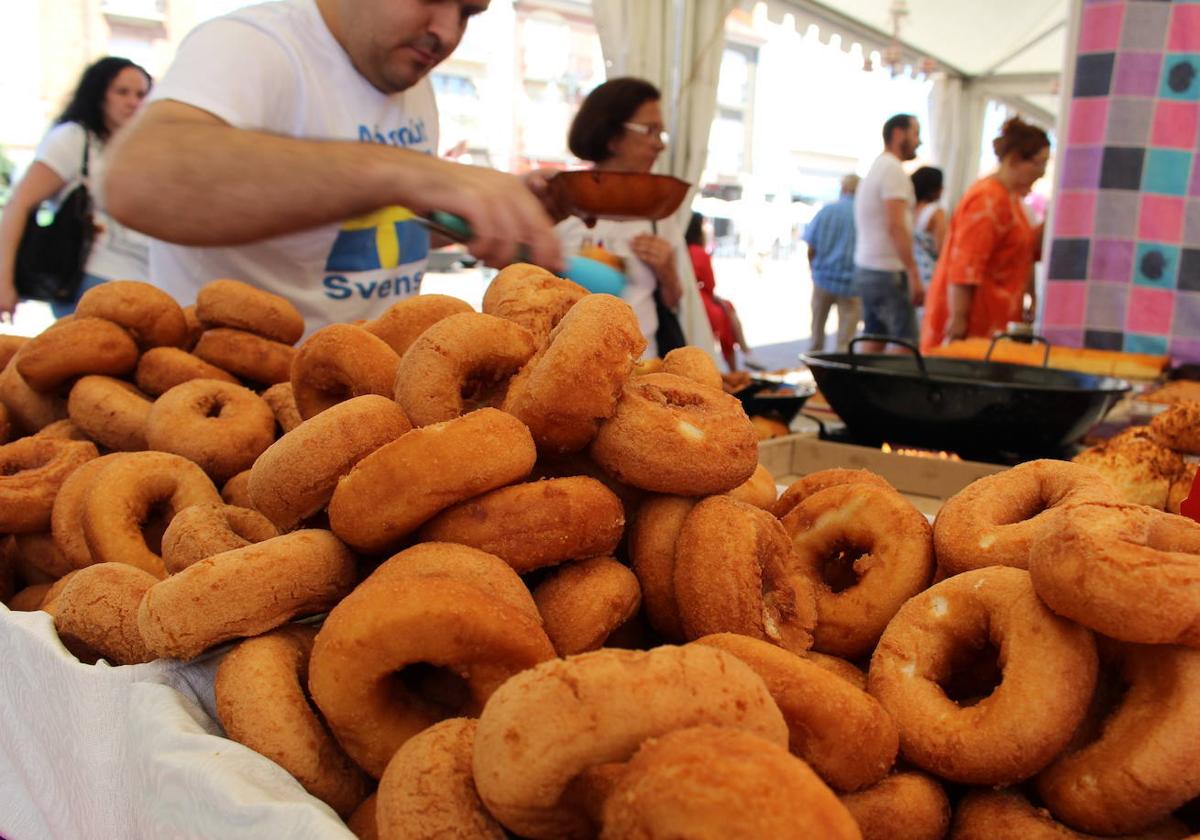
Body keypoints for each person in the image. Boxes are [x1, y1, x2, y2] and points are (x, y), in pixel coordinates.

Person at [105, 0, 562, 333]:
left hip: (372, 392)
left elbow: (367, 227)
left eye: (467, 12)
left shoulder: (410, 78)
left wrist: (484, 212)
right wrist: (408, 172)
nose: (446, 31)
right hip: (249, 402)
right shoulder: (254, 43)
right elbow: (136, 179)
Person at [0, 57, 152, 321]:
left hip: (140, 283)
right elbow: (20, 203)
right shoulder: (74, 138)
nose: (133, 102)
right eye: (122, 92)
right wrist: (4, 282)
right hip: (90, 281)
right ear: (98, 93)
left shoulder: (136, 149)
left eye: (141, 94)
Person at [556, 77, 689, 357]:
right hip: (571, 367)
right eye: (650, 131)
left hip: (644, 370)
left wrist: (667, 272)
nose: (660, 145)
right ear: (613, 137)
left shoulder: (658, 211)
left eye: (661, 133)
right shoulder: (561, 204)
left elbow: (674, 300)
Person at [920, 117, 1050, 352]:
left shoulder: (1013, 200)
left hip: (994, 318)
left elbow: (1026, 250)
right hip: (975, 320)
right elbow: (965, 264)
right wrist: (958, 319)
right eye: (1039, 163)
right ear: (1014, 159)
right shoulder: (987, 199)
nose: (1042, 173)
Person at [853, 114, 924, 352]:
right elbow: (896, 225)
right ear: (898, 134)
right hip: (887, 271)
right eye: (915, 133)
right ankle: (889, 389)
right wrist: (913, 272)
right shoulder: (892, 170)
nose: (919, 141)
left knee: (875, 335)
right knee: (906, 344)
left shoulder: (879, 166)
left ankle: (862, 388)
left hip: (870, 267)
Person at [685, 213, 759, 371]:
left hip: (690, 297)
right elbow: (710, 284)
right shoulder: (699, 252)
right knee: (726, 312)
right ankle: (738, 360)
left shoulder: (683, 249)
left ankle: (744, 353)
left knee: (726, 308)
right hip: (699, 300)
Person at [803, 174, 862, 352]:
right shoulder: (863, 214)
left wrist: (812, 270)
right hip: (852, 284)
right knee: (845, 342)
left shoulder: (827, 211)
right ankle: (840, 376)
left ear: (843, 189)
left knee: (816, 336)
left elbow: (811, 247)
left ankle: (814, 372)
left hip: (823, 279)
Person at [910, 166, 946, 289]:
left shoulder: (909, 210)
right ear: (934, 188)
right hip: (930, 276)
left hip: (910, 275)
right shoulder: (935, 212)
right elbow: (941, 250)